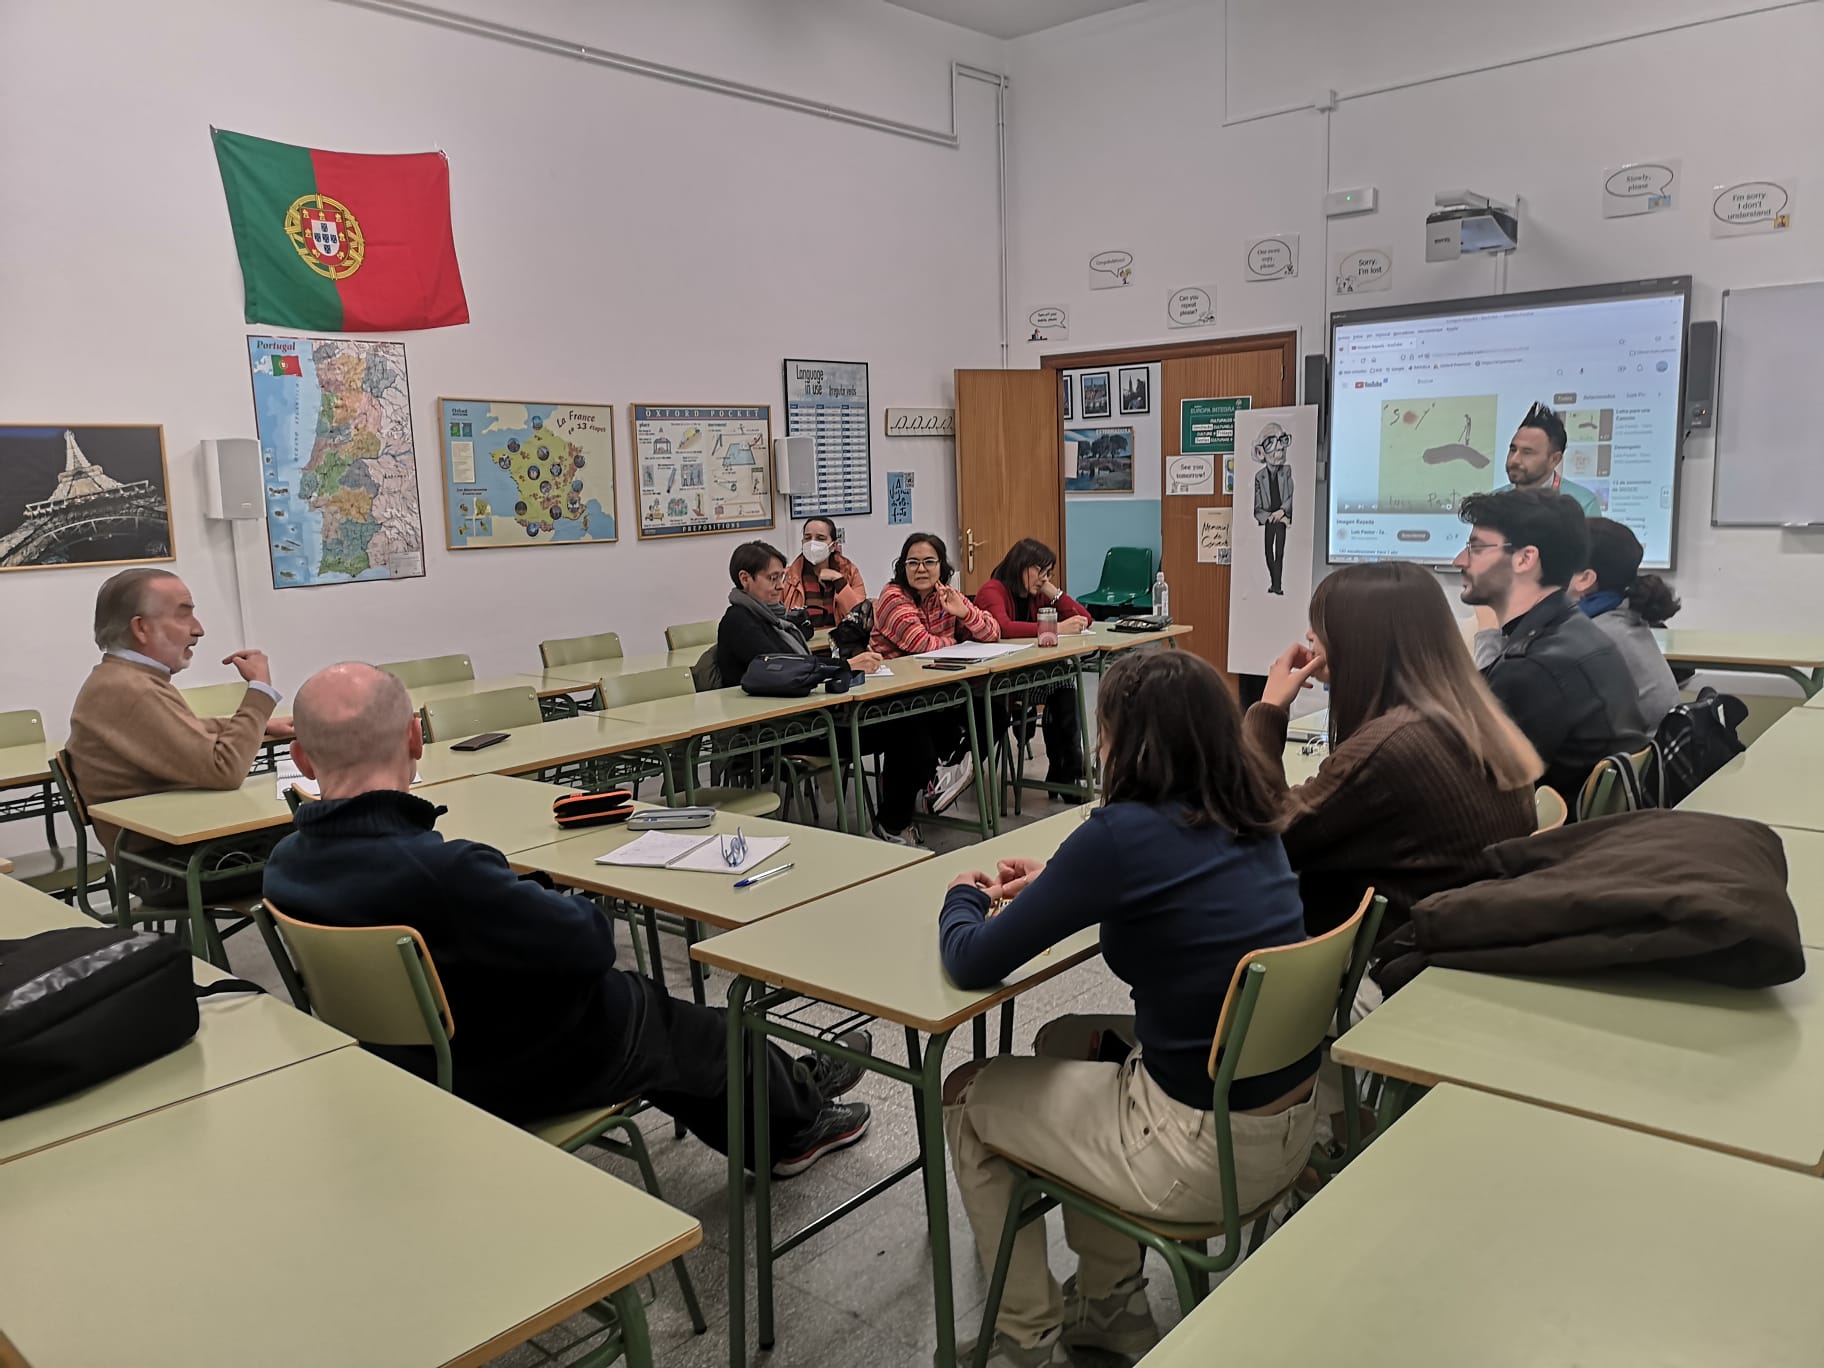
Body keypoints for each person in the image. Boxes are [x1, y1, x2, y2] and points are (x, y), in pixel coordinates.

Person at [262, 662, 873, 1176]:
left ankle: (791, 1085)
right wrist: (544, 891)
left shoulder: (284, 866)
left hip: (408, 1069)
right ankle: (796, 1121)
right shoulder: (446, 872)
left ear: (301, 760)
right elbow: (590, 942)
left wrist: (502, 890)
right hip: (512, 1066)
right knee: (676, 1022)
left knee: (680, 1036)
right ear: (416, 739)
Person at [934, 650, 1315, 1368]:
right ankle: (1110, 1303)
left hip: (1196, 1150)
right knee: (1063, 1039)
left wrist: (961, 896)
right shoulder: (1249, 812)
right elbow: (1161, 884)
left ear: (1123, 736)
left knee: (964, 1094)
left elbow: (973, 960)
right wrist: (1061, 882)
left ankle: (1023, 1335)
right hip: (1283, 1129)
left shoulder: (1118, 836)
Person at [1246, 561, 1541, 941]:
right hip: (1471, 937)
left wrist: (1268, 710)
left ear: (1359, 639)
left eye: (1321, 625)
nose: (1309, 635)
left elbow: (1268, 836)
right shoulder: (1469, 714)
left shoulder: (1392, 745)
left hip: (1404, 965)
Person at [66, 567, 293, 903]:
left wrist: (258, 725)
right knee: (327, 839)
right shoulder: (133, 689)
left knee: (321, 834)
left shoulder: (122, 679)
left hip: (167, 856)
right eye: (184, 614)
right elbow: (225, 770)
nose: (198, 629)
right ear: (141, 628)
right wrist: (259, 690)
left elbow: (180, 733)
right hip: (172, 868)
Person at [1454, 490, 1649, 798]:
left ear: (1525, 558)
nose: (1459, 561)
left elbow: (1473, 789)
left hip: (1549, 839)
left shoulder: (1533, 668)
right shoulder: (1579, 631)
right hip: (1591, 833)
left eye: (1476, 549)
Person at [867, 531, 1001, 840]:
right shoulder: (892, 596)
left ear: (941, 566)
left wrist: (964, 612)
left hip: (935, 691)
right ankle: (890, 823)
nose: (921, 569)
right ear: (902, 567)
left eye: (929, 561)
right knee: (915, 733)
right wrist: (955, 639)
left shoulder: (945, 595)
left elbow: (992, 632)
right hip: (892, 698)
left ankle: (942, 779)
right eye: (912, 562)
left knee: (992, 711)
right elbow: (921, 645)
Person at [974, 538, 1090, 790]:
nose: (1043, 579)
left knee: (1064, 682)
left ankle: (1066, 770)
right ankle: (1066, 773)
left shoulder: (1037, 595)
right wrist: (1056, 628)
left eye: (1048, 573)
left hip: (1027, 677)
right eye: (1040, 571)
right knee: (1060, 685)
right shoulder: (992, 590)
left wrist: (1054, 592)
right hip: (996, 682)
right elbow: (1002, 628)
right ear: (1020, 566)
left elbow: (1085, 619)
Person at [715, 539, 881, 684]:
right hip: (760, 713)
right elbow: (784, 667)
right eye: (773, 578)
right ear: (745, 579)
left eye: (782, 577)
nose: (780, 586)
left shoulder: (775, 618)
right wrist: (848, 665)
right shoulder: (737, 621)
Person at [1567, 518, 1682, 727]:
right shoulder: (1622, 616)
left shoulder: (1591, 634)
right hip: (1644, 753)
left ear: (1585, 579)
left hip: (1624, 753)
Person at [1495, 402, 1601, 515]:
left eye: (1527, 452)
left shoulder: (1583, 503)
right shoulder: (1494, 502)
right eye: (1513, 450)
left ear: (1554, 459)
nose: (1514, 460)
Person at [780, 516, 867, 632]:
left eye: (820, 538)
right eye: (807, 538)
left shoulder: (849, 573)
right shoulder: (790, 577)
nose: (812, 543)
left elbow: (860, 619)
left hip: (841, 644)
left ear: (834, 545)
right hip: (802, 645)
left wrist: (839, 581)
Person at [1251, 421, 1295, 595]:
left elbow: (1291, 497)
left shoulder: (1287, 471)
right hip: (1270, 519)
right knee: (1268, 552)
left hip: (1282, 519)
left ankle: (1277, 585)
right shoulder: (1259, 476)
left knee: (1280, 553)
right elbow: (1257, 508)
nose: (1280, 448)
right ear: (1260, 452)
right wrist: (1270, 516)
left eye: (1282, 440)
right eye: (1271, 442)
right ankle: (1274, 582)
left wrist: (1283, 512)